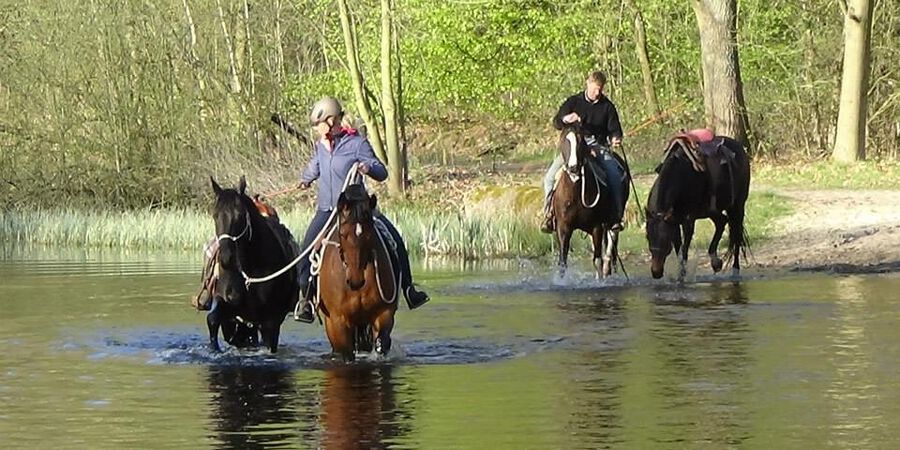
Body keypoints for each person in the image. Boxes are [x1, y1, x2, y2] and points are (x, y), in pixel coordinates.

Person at [293, 97, 429, 323]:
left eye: (318, 124)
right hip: (327, 211)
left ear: (331, 120)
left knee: (394, 240)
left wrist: (368, 167)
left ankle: (408, 289)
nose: (316, 129)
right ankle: (306, 301)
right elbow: (315, 166)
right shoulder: (321, 148)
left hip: (357, 211)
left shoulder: (356, 143)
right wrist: (305, 179)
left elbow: (381, 171)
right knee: (305, 253)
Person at [541, 70, 626, 233]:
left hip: (596, 147)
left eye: (600, 89)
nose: (597, 92)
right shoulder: (573, 102)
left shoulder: (607, 107)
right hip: (574, 146)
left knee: (615, 174)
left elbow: (615, 129)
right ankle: (549, 214)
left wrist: (616, 138)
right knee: (549, 177)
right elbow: (557, 122)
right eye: (595, 88)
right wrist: (566, 119)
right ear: (588, 84)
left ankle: (615, 215)